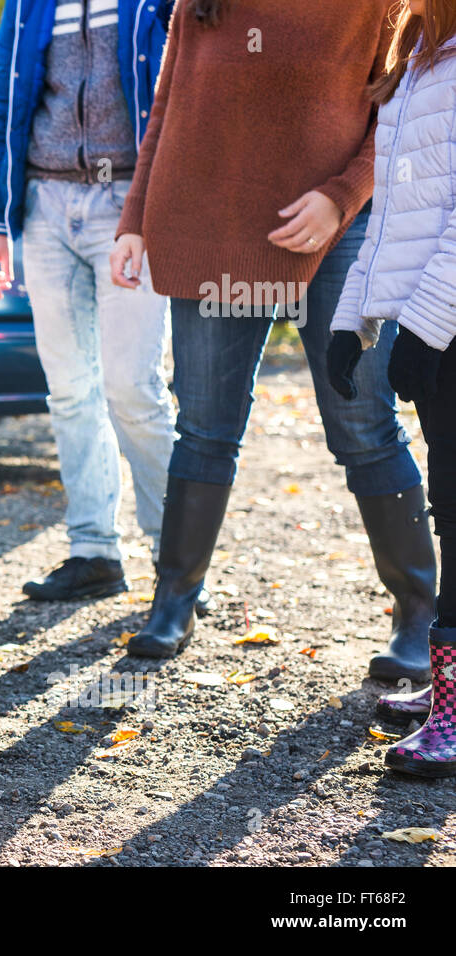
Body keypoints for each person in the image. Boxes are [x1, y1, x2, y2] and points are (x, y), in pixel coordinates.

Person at [109, 0, 437, 685]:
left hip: (336, 232)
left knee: (364, 423)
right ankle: (174, 601)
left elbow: (399, 107)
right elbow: (167, 107)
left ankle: (419, 612)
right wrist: (136, 216)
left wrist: (344, 195)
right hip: (211, 228)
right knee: (204, 424)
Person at [0, 0, 181, 602]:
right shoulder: (27, 7)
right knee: (68, 390)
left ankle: (177, 562)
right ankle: (93, 551)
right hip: (45, 206)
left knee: (132, 387)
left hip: (130, 208)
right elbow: (1, 107)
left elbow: (187, 93)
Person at [329, 0, 456, 775]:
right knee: (449, 503)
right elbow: (396, 216)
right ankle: (449, 690)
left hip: (447, 319)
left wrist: (427, 329)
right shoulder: (420, 54)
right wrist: (356, 320)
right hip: (433, 321)